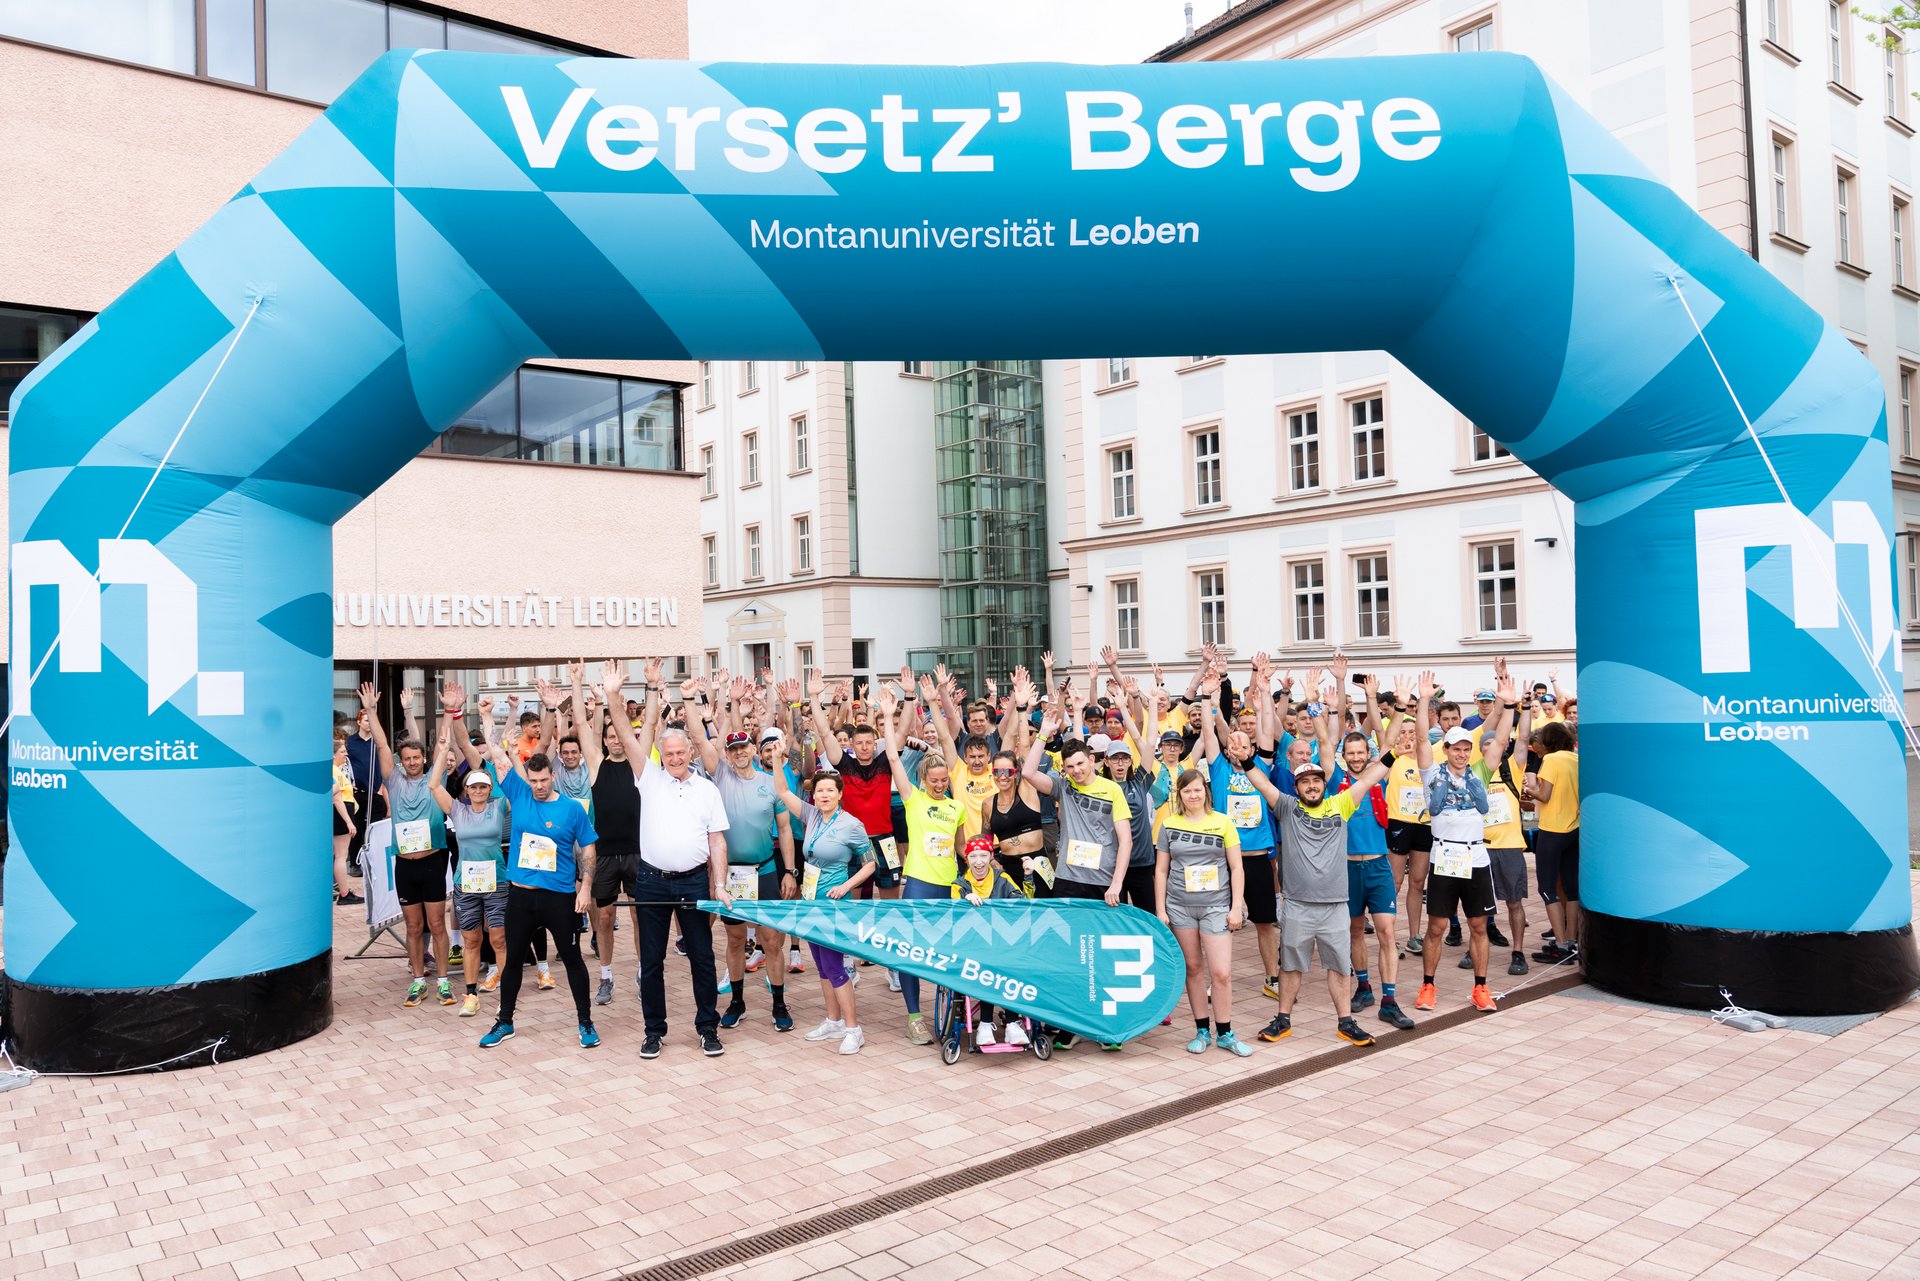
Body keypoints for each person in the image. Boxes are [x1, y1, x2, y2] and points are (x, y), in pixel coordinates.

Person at [1231, 671, 1389, 1049]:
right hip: (1299, 905)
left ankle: (1345, 1021)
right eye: (1305, 782)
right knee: (1291, 966)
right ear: (1298, 786)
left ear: (1323, 782)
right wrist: (1247, 757)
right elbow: (1263, 783)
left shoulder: (1341, 803)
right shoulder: (1286, 807)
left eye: (1317, 780)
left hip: (1335, 905)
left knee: (1338, 966)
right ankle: (1283, 1018)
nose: (1313, 785)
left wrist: (1397, 744)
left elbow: (1372, 774)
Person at [457, 681, 602, 1050]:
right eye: (533, 780)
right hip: (521, 896)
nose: (537, 785)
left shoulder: (570, 808)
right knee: (514, 959)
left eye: (542, 780)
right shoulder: (518, 792)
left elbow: (588, 848)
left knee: (571, 959)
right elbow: (495, 752)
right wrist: (487, 717)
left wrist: (585, 889)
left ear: (552, 776)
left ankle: (585, 1022)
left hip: (558, 896)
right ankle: (504, 1021)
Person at [603, 660, 735, 1060]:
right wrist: (613, 696)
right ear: (661, 752)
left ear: (690, 751)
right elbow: (626, 738)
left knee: (701, 959)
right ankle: (654, 1031)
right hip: (652, 880)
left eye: (681, 752)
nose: (675, 758)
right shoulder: (649, 778)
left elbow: (717, 843)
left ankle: (707, 1027)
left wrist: (720, 884)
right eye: (669, 752)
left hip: (695, 881)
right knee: (652, 961)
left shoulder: (707, 790)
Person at [686, 680, 798, 1033]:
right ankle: (737, 1002)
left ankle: (779, 1003)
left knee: (773, 942)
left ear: (753, 748)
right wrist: (693, 700)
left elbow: (784, 830)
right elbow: (701, 739)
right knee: (735, 940)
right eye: (732, 750)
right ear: (728, 754)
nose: (738, 754)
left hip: (765, 870)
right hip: (731, 876)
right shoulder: (720, 775)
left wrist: (790, 871)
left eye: (743, 748)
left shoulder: (771, 784)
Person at [1022, 702, 1132, 1051]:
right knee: (1070, 954)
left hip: (1104, 884)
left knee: (1102, 954)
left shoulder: (1112, 789)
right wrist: (1043, 735)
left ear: (1092, 761)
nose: (1076, 771)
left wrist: (1116, 883)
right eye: (1069, 767)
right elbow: (1027, 773)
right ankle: (1072, 1024)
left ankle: (1105, 1025)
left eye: (1081, 764)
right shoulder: (1063, 787)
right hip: (1068, 879)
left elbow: (1125, 840)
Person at [767, 745, 877, 1054]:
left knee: (836, 966)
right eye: (819, 791)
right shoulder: (812, 815)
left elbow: (870, 863)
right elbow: (781, 791)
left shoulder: (852, 825)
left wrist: (846, 887)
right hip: (811, 902)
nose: (824, 795)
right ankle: (834, 1020)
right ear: (813, 795)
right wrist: (777, 762)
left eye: (830, 790)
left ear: (840, 794)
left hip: (835, 905)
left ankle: (854, 1029)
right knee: (822, 966)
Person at [877, 688, 968, 1045]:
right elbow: (894, 759)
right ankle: (914, 1016)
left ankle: (948, 1010)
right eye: (934, 781)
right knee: (911, 951)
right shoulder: (913, 801)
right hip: (917, 883)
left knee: (948, 952)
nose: (940, 785)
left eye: (944, 781)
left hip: (948, 886)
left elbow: (960, 848)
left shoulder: (956, 807)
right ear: (923, 781)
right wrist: (888, 718)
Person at [359, 682, 454, 1009]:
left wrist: (450, 711)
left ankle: (442, 982)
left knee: (437, 924)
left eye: (417, 758)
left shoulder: (433, 779)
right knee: (413, 926)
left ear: (423, 758)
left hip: (433, 861)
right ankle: (417, 980)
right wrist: (371, 711)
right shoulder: (394, 779)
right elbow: (383, 744)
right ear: (401, 761)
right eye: (407, 758)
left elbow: (444, 744)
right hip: (406, 865)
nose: (412, 762)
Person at [1328, 679, 1415, 1032]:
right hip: (1346, 867)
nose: (1357, 757)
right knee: (1352, 931)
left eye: (1361, 752)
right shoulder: (1334, 780)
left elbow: (1390, 739)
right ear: (1344, 756)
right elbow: (1324, 740)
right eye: (1350, 753)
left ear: (1368, 754)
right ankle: (1363, 986)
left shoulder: (1379, 775)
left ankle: (1389, 1001)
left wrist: (1400, 706)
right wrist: (1331, 703)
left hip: (1378, 865)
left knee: (1385, 931)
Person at [1409, 672, 1498, 1013]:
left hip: (1476, 857)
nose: (1461, 754)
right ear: (1445, 749)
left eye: (1466, 749)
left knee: (1479, 925)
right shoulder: (1433, 774)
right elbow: (1420, 740)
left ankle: (1481, 988)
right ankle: (1428, 986)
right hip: (1445, 855)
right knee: (1437, 926)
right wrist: (1422, 702)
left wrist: (1505, 703)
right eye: (1455, 748)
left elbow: (1500, 739)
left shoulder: (1480, 773)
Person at [561, 662, 644, 1007]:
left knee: (641, 916)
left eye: (618, 735)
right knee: (606, 918)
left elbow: (650, 723)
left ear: (627, 738)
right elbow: (581, 724)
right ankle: (606, 975)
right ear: (605, 740)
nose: (614, 740)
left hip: (640, 851)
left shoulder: (641, 764)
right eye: (609, 736)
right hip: (606, 852)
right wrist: (577, 684)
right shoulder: (596, 763)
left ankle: (643, 971)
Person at [1155, 768, 1250, 1056]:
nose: (1193, 795)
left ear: (1205, 792)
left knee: (1221, 973)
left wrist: (1236, 907)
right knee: (1193, 969)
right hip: (1180, 906)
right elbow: (1161, 870)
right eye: (1187, 791)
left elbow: (1236, 867)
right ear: (1180, 795)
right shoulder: (1169, 825)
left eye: (1197, 789)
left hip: (1216, 906)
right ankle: (1201, 1030)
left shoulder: (1222, 822)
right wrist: (1161, 908)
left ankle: (1226, 1032)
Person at [1208, 655, 1281, 1002]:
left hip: (1256, 859)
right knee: (1220, 924)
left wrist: (1264, 693)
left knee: (1266, 922)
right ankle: (1217, 980)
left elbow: (1267, 729)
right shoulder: (1220, 771)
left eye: (1245, 743)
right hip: (1224, 858)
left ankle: (1273, 977)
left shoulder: (1261, 767)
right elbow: (1213, 730)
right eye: (1232, 743)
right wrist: (1210, 702)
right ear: (1226, 749)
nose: (1239, 746)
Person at [431, 697, 509, 1017]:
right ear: (466, 788)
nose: (478, 790)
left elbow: (500, 761)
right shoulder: (458, 810)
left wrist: (489, 720)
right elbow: (434, 783)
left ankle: (507, 987)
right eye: (473, 787)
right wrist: (442, 748)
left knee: (499, 936)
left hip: (497, 880)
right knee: (471, 938)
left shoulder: (499, 805)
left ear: (489, 788)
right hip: (466, 882)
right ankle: (471, 993)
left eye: (482, 787)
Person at [1474, 665, 1533, 977]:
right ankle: (1477, 948)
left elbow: (1523, 737)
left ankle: (1518, 951)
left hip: (1509, 845)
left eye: (1494, 745)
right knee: (1479, 906)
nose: (1490, 750)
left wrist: (1521, 705)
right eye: (1485, 746)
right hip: (1480, 847)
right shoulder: (1475, 773)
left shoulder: (1512, 768)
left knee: (1513, 903)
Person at [951, 834, 1030, 1046]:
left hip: (1003, 942)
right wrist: (964, 901)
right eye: (973, 856)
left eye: (983, 855)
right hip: (972, 946)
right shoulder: (959, 885)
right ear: (966, 859)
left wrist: (1029, 877)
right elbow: (953, 918)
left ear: (990, 856)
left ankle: (1013, 1024)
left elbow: (1023, 904)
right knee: (990, 966)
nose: (978, 861)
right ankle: (985, 1024)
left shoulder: (1002, 879)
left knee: (1011, 964)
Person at [1528, 720, 1581, 962]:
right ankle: (1572, 940)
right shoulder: (1576, 759)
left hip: (1552, 829)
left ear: (1548, 741)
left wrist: (1529, 791)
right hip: (1575, 829)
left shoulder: (1551, 760)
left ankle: (1560, 945)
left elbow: (1545, 795)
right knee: (1572, 889)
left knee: (1547, 887)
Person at [331, 727, 362, 905]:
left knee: (339, 855)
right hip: (341, 814)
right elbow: (336, 796)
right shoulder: (334, 771)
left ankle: (343, 891)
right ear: (334, 755)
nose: (346, 755)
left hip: (343, 812)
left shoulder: (338, 770)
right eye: (342, 752)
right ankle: (344, 893)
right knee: (341, 855)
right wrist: (349, 822)